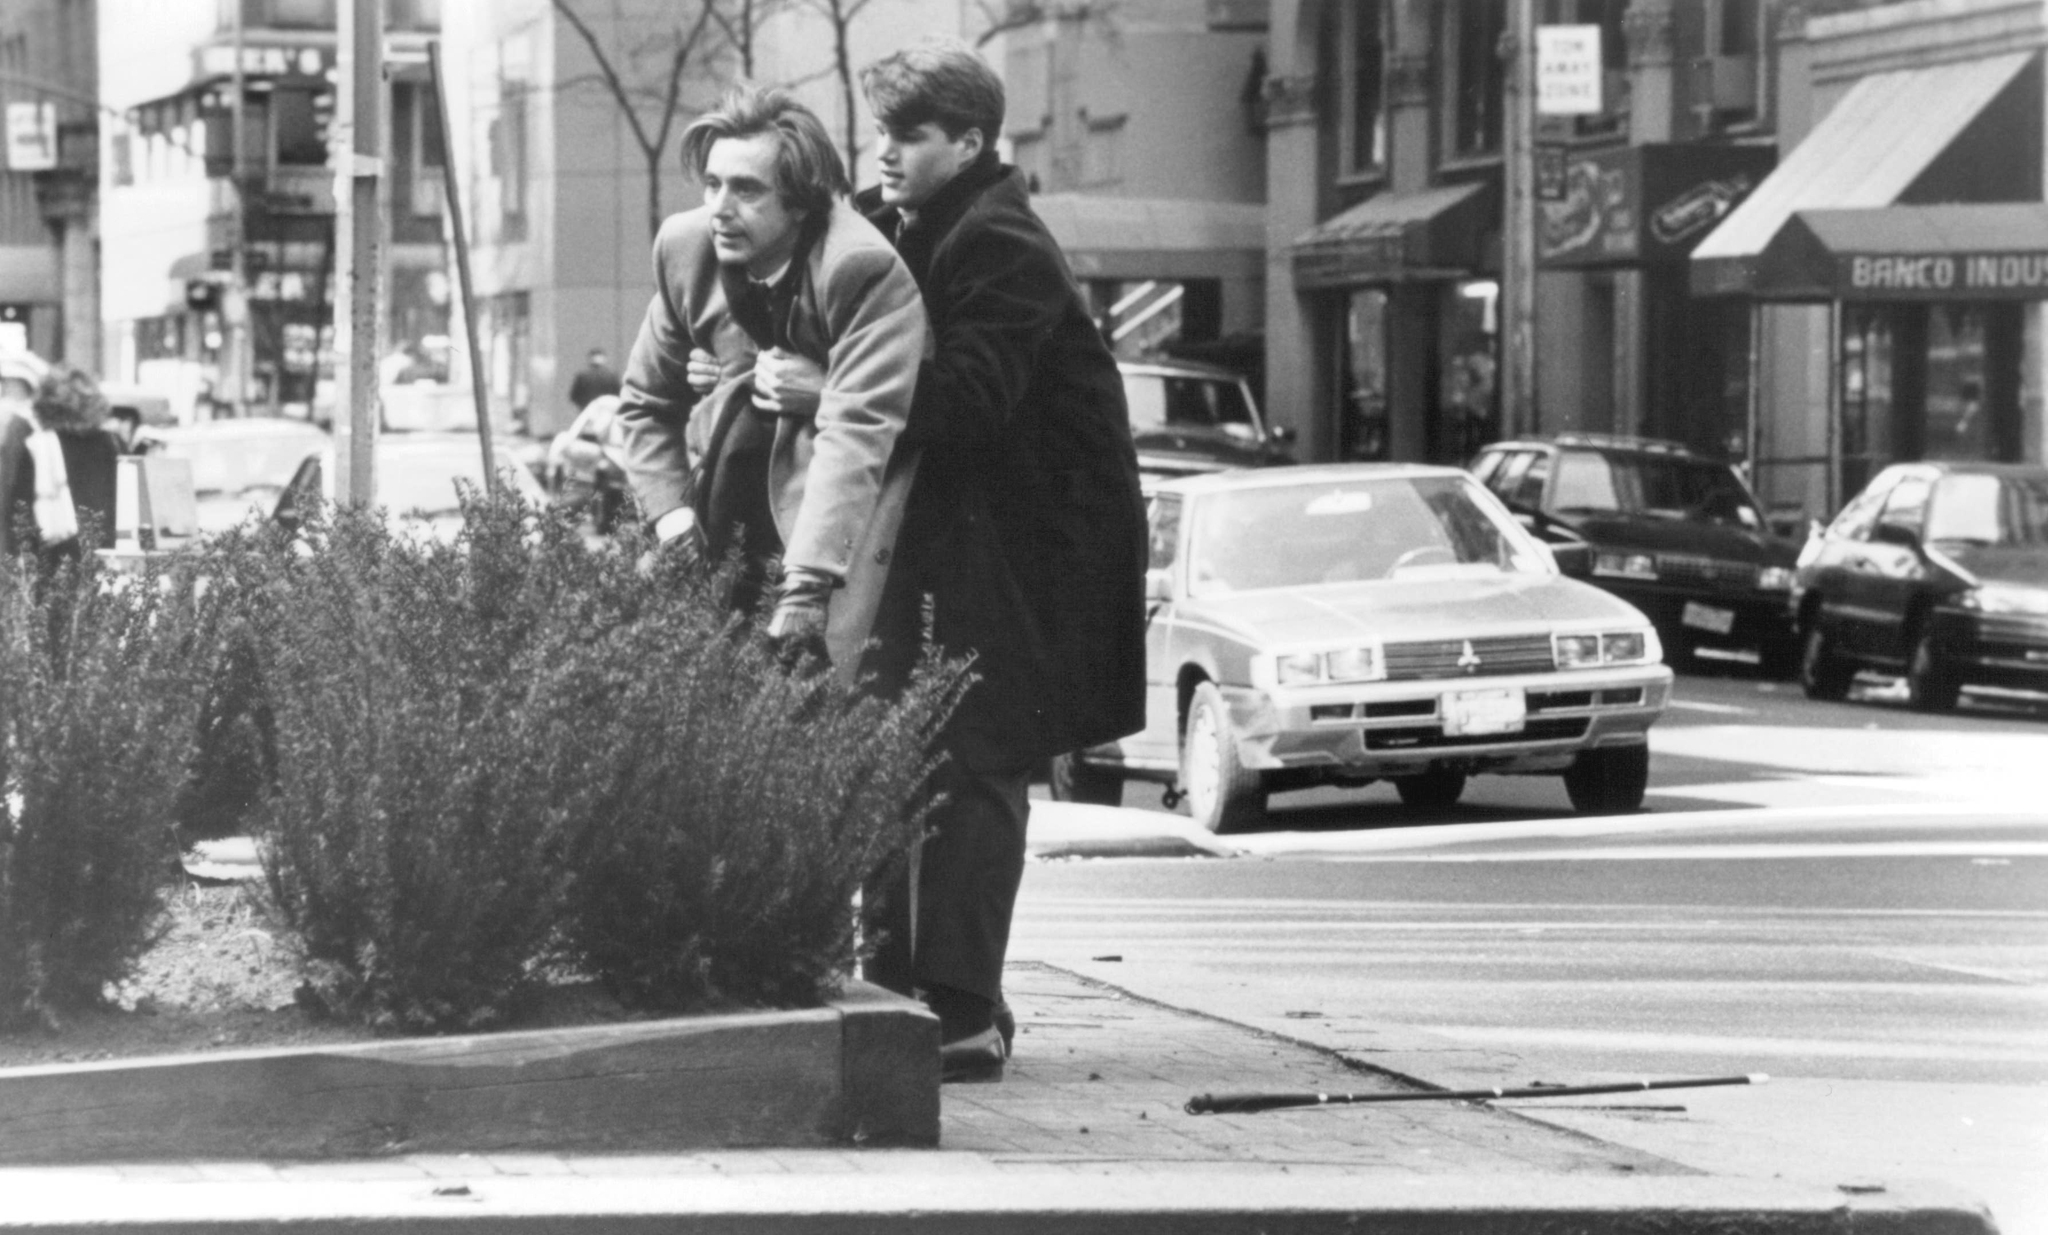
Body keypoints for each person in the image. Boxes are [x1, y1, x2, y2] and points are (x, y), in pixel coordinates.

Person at [849, 39, 1148, 1082]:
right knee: (915, 763)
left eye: (906, 134)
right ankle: (911, 991)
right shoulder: (916, 222)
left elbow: (969, 408)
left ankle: (961, 1012)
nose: (882, 150)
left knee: (975, 767)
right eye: (879, 129)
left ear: (968, 141)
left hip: (1030, 560)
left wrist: (825, 394)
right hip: (970, 545)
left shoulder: (999, 241)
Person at [612, 84, 926, 664]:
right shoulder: (687, 248)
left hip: (826, 527)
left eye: (747, 189)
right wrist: (671, 523)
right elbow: (644, 404)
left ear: (801, 201)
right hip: (716, 509)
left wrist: (805, 584)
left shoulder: (861, 268)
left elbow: (857, 428)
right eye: (712, 184)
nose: (720, 208)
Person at [568, 347, 622, 412]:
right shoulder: (612, 376)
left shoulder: (582, 376)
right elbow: (619, 394)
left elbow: (574, 396)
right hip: (607, 412)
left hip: (587, 412)